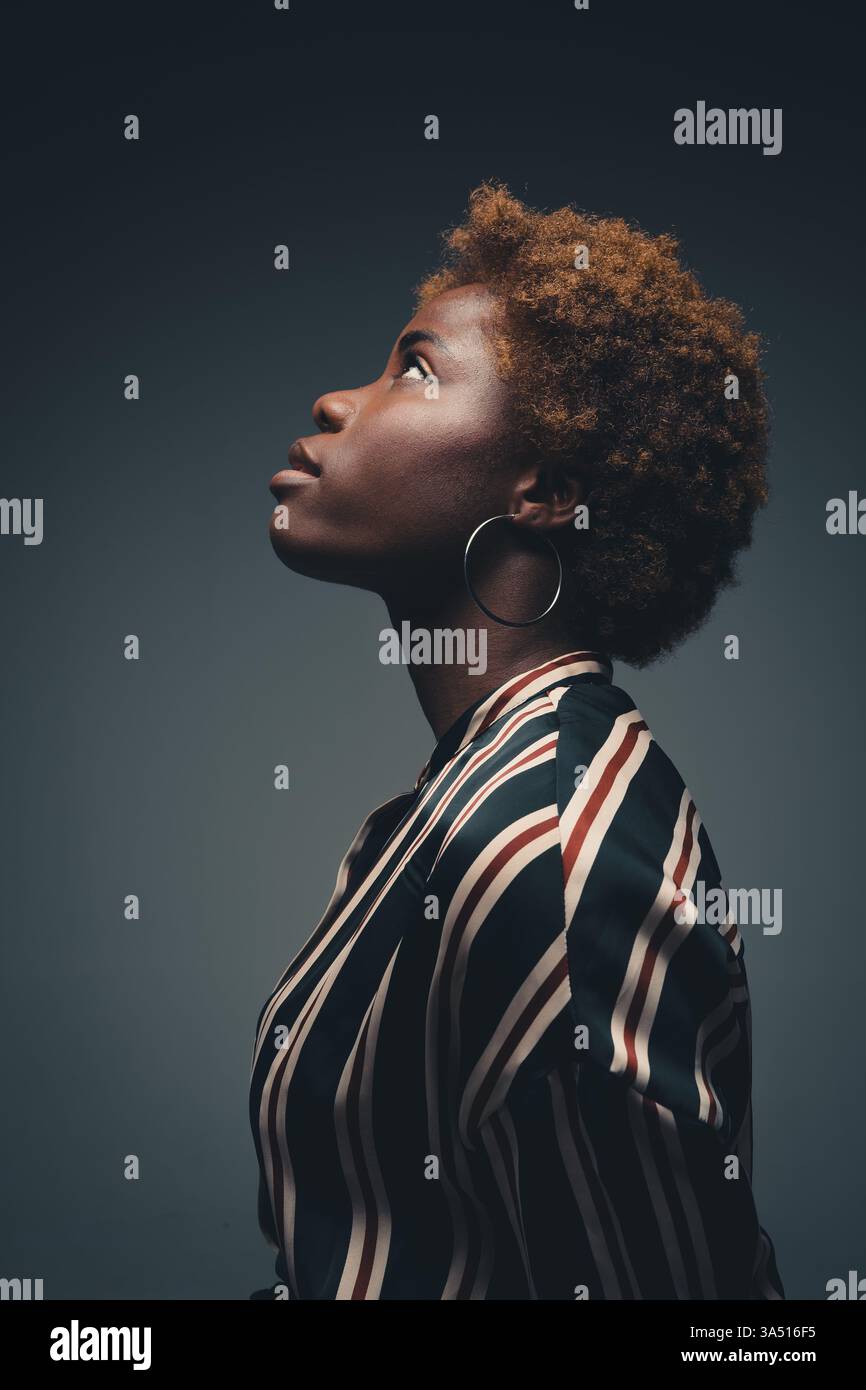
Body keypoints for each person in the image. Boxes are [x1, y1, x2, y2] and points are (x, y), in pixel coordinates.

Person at [247, 180, 785, 1300]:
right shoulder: (458, 804)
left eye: (414, 367)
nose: (337, 400)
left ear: (542, 489)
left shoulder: (545, 843)